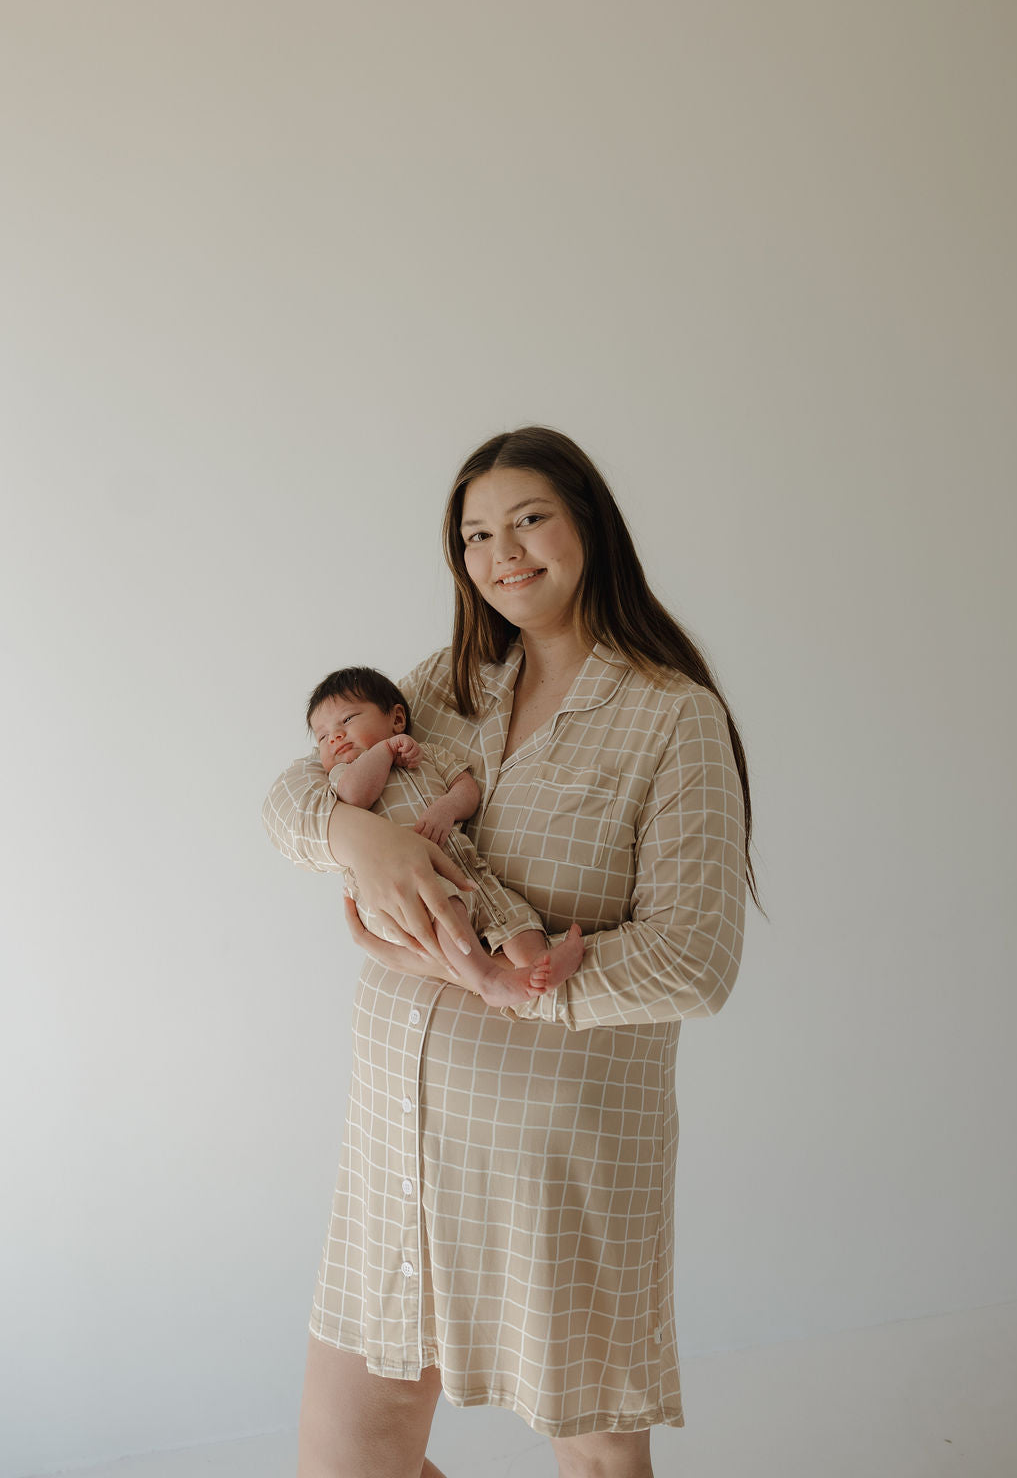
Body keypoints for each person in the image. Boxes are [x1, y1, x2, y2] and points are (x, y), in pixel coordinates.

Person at [262, 427, 759, 1478]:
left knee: (593, 1459)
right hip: (396, 1136)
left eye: (529, 518)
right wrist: (360, 836)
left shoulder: (673, 718)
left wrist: (497, 981)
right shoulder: (448, 684)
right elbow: (291, 797)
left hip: (557, 1156)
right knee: (348, 1458)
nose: (504, 552)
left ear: (587, 523)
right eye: (476, 533)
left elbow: (695, 960)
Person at [305, 664, 585, 1007]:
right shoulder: (341, 777)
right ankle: (489, 978)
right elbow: (355, 796)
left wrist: (447, 807)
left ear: (396, 718)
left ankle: (539, 964)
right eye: (321, 736)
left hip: (466, 869)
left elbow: (467, 789)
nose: (333, 737)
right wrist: (385, 749)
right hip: (404, 892)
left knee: (509, 909)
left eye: (346, 720)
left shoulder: (430, 755)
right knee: (444, 907)